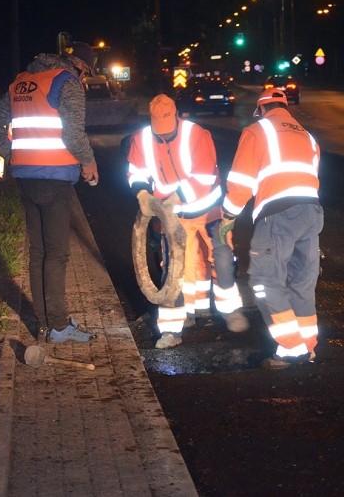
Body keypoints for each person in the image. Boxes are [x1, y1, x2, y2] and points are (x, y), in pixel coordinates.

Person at [0, 41, 99, 343]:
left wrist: (13, 153)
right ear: (81, 67)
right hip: (55, 176)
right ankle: (58, 326)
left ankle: (44, 324)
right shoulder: (66, 82)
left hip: (25, 176)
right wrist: (88, 162)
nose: (83, 78)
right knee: (57, 254)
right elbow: (73, 133)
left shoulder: (22, 82)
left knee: (38, 252)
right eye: (86, 73)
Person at [127, 94, 249, 349]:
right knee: (173, 270)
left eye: (168, 131)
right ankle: (172, 329)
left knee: (222, 260)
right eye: (158, 131)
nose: (163, 136)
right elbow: (136, 170)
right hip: (172, 217)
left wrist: (174, 198)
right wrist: (141, 191)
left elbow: (204, 177)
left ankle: (230, 312)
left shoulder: (197, 135)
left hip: (208, 210)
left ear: (176, 118)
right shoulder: (141, 139)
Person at [220, 89, 323, 369]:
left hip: (278, 214)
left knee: (265, 281)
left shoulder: (258, 131)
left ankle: (292, 348)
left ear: (261, 109)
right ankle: (308, 345)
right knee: (301, 282)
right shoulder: (307, 136)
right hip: (311, 211)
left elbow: (242, 180)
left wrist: (228, 214)